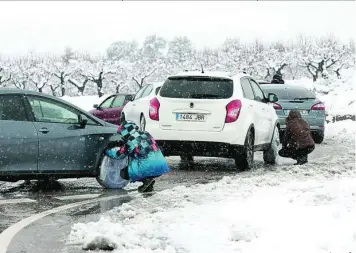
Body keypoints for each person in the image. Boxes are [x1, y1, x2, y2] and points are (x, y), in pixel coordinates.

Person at [105, 120, 170, 192]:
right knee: (144, 164)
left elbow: (119, 155)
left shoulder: (131, 141)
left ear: (125, 132)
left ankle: (146, 181)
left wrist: (107, 151)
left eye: (122, 133)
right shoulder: (146, 133)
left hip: (148, 166)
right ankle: (148, 182)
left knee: (123, 173)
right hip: (161, 166)